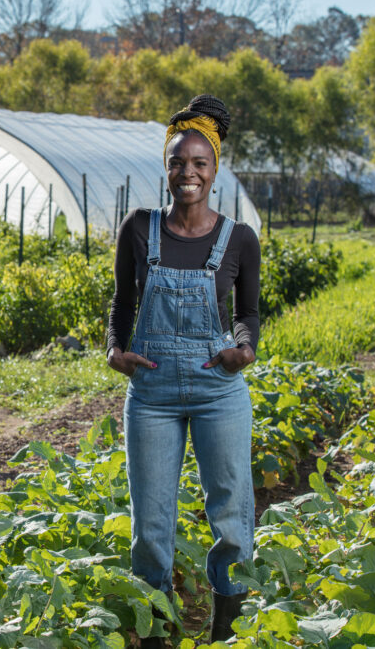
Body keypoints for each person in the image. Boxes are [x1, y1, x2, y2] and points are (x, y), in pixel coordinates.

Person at [106, 94, 260, 643]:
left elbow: (247, 314)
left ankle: (227, 631)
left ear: (215, 170)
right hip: (151, 392)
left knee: (231, 514)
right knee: (150, 526)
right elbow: (122, 304)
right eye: (178, 162)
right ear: (165, 168)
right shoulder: (139, 228)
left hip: (219, 388)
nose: (187, 172)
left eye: (199, 163)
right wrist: (114, 348)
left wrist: (244, 348)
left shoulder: (238, 237)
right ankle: (156, 631)